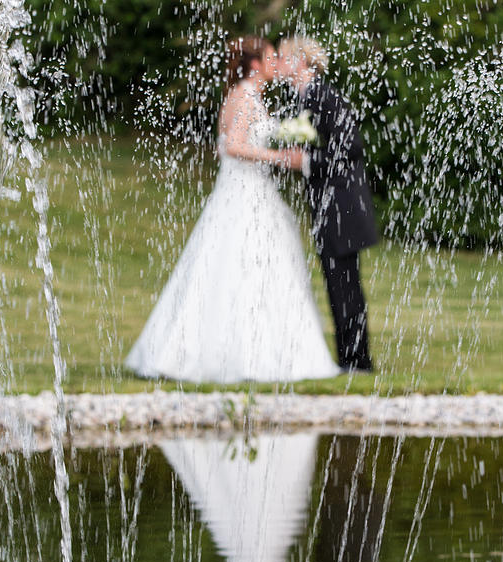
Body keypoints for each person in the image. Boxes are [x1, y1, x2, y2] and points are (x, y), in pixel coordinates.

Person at [125, 36, 340, 383]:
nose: (275, 63)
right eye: (270, 57)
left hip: (251, 190)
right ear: (255, 64)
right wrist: (281, 157)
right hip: (243, 192)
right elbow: (233, 147)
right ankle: (236, 356)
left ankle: (258, 349)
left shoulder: (248, 97)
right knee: (240, 264)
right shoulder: (243, 97)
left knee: (252, 267)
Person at [278, 37, 377, 372]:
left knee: (346, 286)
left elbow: (350, 148)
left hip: (343, 205)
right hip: (328, 204)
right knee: (339, 285)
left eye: (284, 57)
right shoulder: (303, 98)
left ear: (301, 62)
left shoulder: (323, 95)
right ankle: (351, 358)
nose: (279, 63)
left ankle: (357, 362)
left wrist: (304, 160)